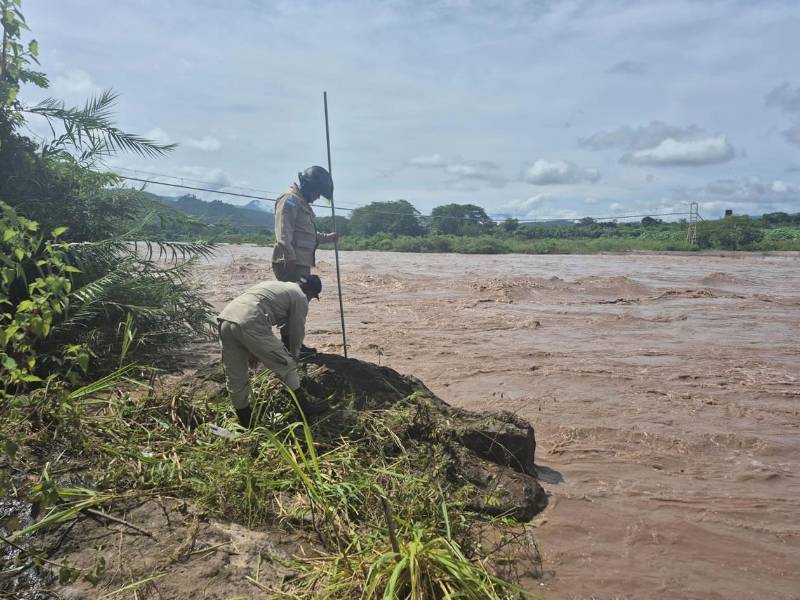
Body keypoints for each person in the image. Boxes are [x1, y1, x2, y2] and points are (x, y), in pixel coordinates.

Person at [217, 275, 324, 427]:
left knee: (236, 378)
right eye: (313, 297)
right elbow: (297, 331)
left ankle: (246, 423)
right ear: (310, 292)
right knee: (286, 365)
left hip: (226, 319)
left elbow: (280, 325)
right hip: (250, 321)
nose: (310, 300)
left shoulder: (277, 286)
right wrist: (293, 357)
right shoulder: (300, 296)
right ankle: (305, 411)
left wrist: (251, 348)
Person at [272, 165, 338, 282]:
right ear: (309, 188)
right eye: (317, 193)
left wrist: (328, 238)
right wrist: (290, 257)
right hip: (291, 263)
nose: (318, 197)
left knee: (301, 297)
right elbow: (283, 232)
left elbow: (306, 233)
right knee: (293, 298)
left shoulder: (301, 203)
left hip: (300, 262)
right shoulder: (290, 200)